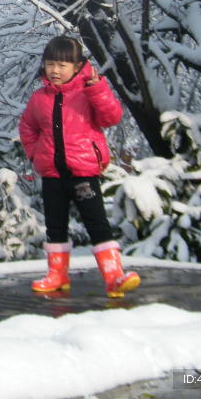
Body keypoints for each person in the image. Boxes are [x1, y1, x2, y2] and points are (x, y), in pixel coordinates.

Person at [18, 36, 140, 297]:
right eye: (50, 64)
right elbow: (27, 127)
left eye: (62, 65)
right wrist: (35, 154)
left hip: (84, 172)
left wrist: (97, 89)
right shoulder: (40, 98)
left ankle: (113, 275)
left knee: (97, 223)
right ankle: (57, 275)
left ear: (77, 66)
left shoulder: (88, 91)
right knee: (55, 225)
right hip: (52, 174)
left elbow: (111, 117)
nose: (55, 70)